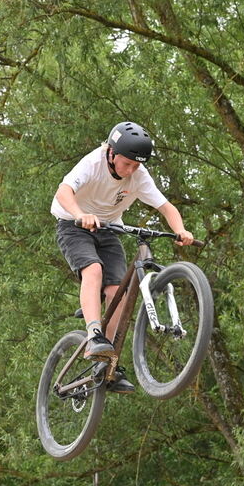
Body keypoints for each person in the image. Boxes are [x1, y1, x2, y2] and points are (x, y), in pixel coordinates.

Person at [51, 121, 194, 394]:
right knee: (93, 269)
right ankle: (94, 334)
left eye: (136, 166)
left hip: (109, 229)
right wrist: (81, 215)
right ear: (111, 153)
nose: (130, 171)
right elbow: (63, 191)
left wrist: (181, 230)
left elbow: (166, 207)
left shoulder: (139, 175)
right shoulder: (92, 163)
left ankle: (107, 361)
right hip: (73, 224)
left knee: (118, 291)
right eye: (126, 164)